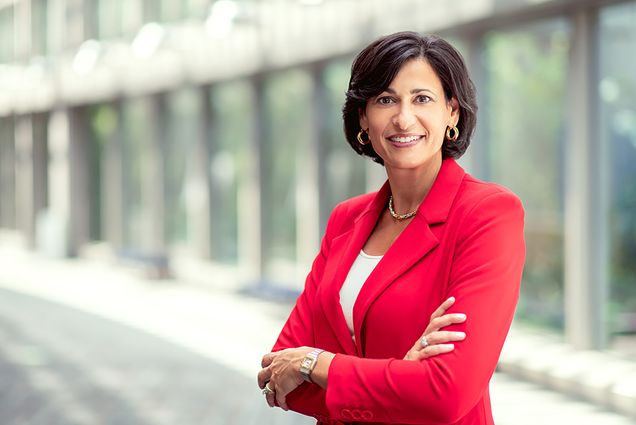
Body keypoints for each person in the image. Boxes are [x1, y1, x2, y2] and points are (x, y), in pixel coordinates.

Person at [257, 31, 525, 425]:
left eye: (422, 98)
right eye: (385, 99)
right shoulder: (346, 220)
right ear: (363, 117)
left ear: (452, 112)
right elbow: (278, 377)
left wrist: (316, 362)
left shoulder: (487, 214)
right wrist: (401, 376)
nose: (403, 118)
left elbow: (445, 395)